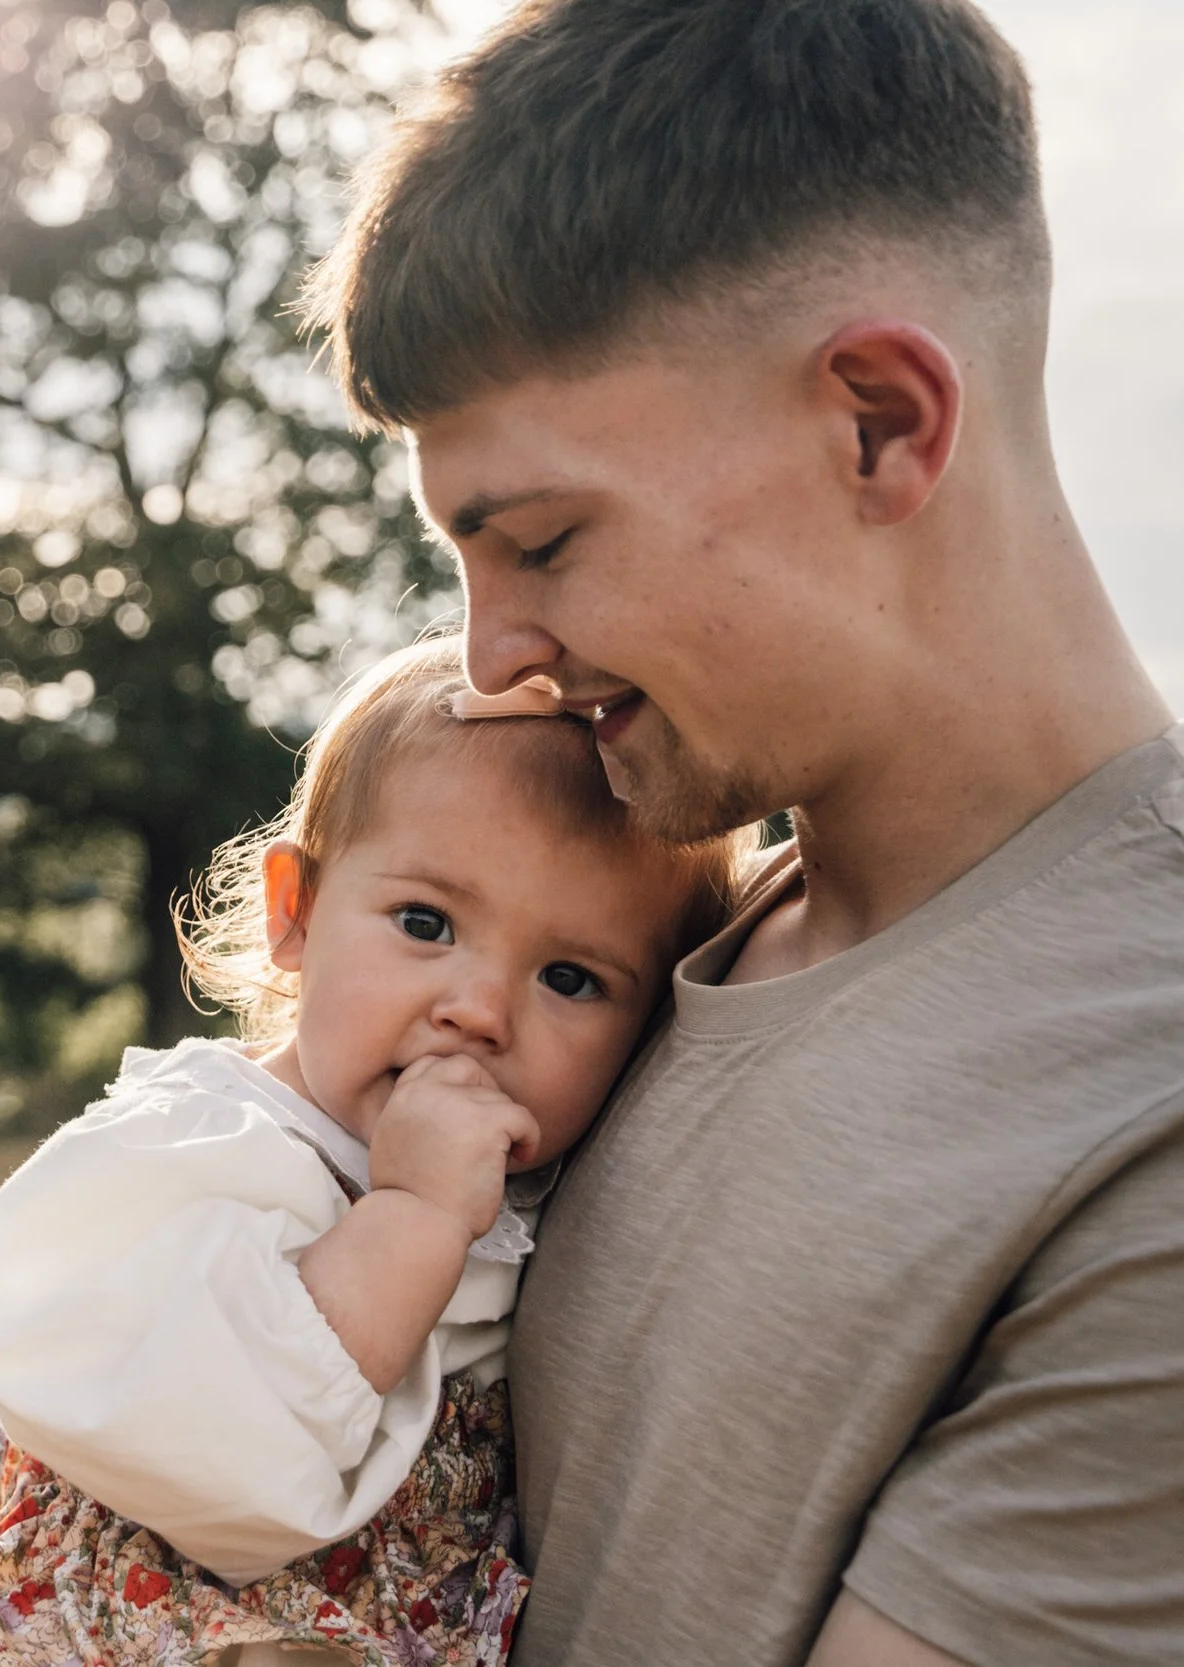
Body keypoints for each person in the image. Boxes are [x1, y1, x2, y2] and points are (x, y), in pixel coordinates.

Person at [291, 1, 1184, 1664]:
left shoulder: (1145, 1107)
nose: (489, 658)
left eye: (543, 538)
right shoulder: (634, 946)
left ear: (879, 423)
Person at [0, 640, 741, 1665]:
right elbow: (216, 1456)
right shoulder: (194, 1146)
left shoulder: (532, 1192)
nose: (479, 1010)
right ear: (295, 912)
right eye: (425, 921)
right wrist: (410, 1214)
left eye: (572, 978)